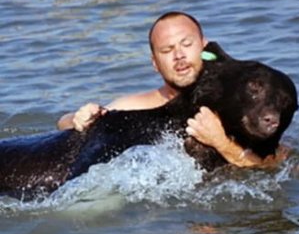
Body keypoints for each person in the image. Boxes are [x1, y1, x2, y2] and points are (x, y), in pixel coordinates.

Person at [57, 11, 281, 167]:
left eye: (186, 44)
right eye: (167, 50)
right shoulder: (139, 106)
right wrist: (78, 118)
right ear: (155, 64)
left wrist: (221, 143)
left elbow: (279, 164)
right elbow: (64, 125)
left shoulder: (233, 103)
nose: (179, 56)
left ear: (204, 47)